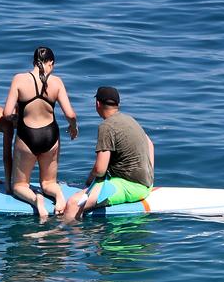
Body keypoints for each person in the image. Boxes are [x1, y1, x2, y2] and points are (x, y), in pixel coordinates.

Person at [2, 46, 78, 222]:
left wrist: (15, 119)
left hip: (27, 136)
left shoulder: (19, 79)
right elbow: (70, 114)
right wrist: (73, 127)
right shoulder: (57, 82)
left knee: (20, 185)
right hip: (51, 136)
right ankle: (59, 196)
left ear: (33, 62)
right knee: (49, 183)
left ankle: (36, 200)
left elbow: (7, 113)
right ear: (50, 62)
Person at [60, 85, 154, 223]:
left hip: (131, 187)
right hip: (147, 183)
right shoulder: (130, 120)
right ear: (118, 104)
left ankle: (67, 240)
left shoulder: (106, 126)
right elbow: (150, 144)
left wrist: (89, 181)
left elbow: (100, 169)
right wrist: (148, 173)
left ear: (97, 104)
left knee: (73, 204)